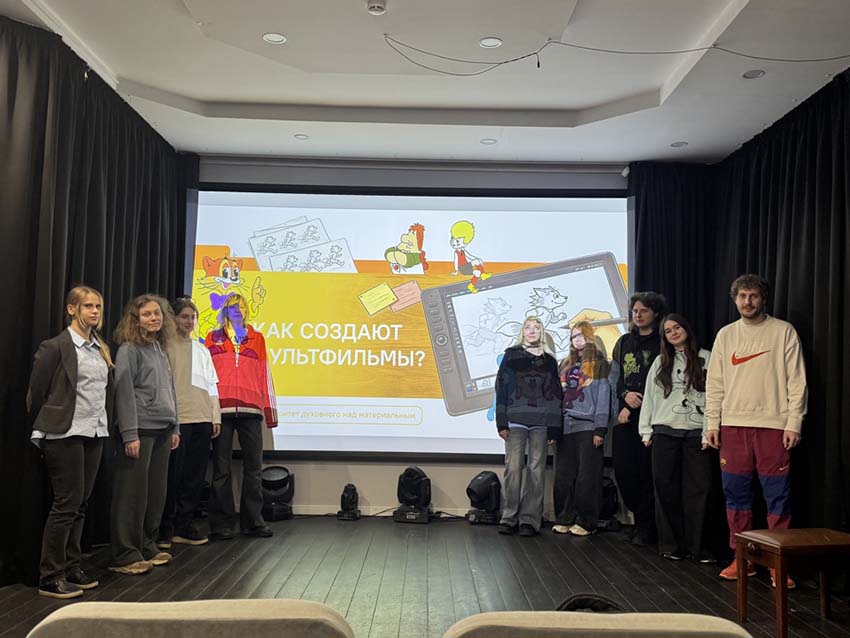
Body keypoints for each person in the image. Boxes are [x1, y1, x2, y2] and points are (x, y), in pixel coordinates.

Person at [706, 274, 807, 588]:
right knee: (736, 497)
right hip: (733, 427)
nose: (747, 302)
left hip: (773, 427)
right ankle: (743, 558)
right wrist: (712, 423)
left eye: (753, 296)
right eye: (742, 296)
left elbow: (797, 381)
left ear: (763, 298)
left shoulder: (783, 331)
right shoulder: (726, 335)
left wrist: (793, 423)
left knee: (777, 498)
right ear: (735, 299)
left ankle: (778, 563)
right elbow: (715, 384)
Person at [27, 286, 114, 598]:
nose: (94, 311)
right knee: (67, 503)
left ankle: (71, 566)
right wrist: (47, 424)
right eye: (88, 306)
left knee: (81, 503)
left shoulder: (100, 348)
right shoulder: (56, 346)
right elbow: (36, 392)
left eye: (98, 307)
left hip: (94, 431)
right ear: (71, 309)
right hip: (64, 433)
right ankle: (50, 576)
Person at [110, 294, 180, 575]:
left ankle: (146, 544)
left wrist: (175, 426)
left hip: (164, 430)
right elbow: (124, 391)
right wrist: (129, 434)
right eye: (147, 314)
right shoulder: (129, 349)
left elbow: (171, 390)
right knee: (132, 494)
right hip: (140, 430)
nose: (154, 318)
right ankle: (125, 553)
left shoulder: (160, 349)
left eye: (157, 313)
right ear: (136, 319)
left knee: (155, 494)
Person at [639, 314, 713, 562]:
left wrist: (709, 429)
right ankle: (671, 545)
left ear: (686, 328)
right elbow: (649, 396)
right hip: (664, 432)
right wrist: (645, 430)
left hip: (697, 432)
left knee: (699, 490)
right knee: (665, 489)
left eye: (677, 327)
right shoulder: (660, 362)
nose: (673, 333)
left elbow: (715, 396)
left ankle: (698, 546)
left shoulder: (707, 357)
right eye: (668, 331)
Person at [205, 293, 278, 539]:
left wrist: (270, 412)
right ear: (225, 311)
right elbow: (206, 377)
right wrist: (208, 410)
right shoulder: (212, 338)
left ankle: (253, 521)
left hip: (251, 410)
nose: (238, 311)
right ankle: (221, 524)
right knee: (221, 469)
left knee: (254, 468)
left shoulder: (257, 338)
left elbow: (265, 374)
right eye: (232, 307)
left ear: (247, 311)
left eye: (242, 307)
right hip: (221, 411)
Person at [157, 297, 222, 548]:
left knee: (194, 477)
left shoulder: (202, 350)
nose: (189, 321)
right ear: (174, 318)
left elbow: (212, 385)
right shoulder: (165, 347)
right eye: (184, 316)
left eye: (193, 317)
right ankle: (165, 527)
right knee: (173, 476)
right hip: (178, 419)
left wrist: (215, 416)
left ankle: (183, 525)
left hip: (202, 418)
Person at [495, 316, 563, 537]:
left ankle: (529, 520)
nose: (532, 331)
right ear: (522, 332)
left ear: (541, 332)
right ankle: (509, 517)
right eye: (528, 327)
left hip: (541, 423)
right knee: (513, 468)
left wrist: (554, 427)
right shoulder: (511, 356)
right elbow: (501, 389)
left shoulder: (549, 361)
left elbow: (555, 394)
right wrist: (501, 422)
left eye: (536, 327)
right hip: (515, 420)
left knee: (536, 470)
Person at [609, 291, 667, 546]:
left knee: (647, 474)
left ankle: (648, 527)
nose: (638, 315)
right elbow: (615, 377)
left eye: (644, 310)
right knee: (625, 472)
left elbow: (660, 379)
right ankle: (638, 521)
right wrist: (625, 397)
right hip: (624, 418)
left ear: (655, 313)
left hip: (652, 418)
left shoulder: (663, 341)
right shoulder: (623, 342)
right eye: (635, 311)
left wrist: (633, 405)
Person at [552, 321, 610, 537]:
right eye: (574, 336)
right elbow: (556, 396)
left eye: (581, 336)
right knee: (564, 476)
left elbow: (603, 396)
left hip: (588, 426)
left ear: (590, 337)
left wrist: (600, 429)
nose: (577, 340)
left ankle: (586, 522)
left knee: (587, 477)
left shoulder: (599, 364)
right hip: (565, 427)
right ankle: (564, 518)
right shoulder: (565, 364)